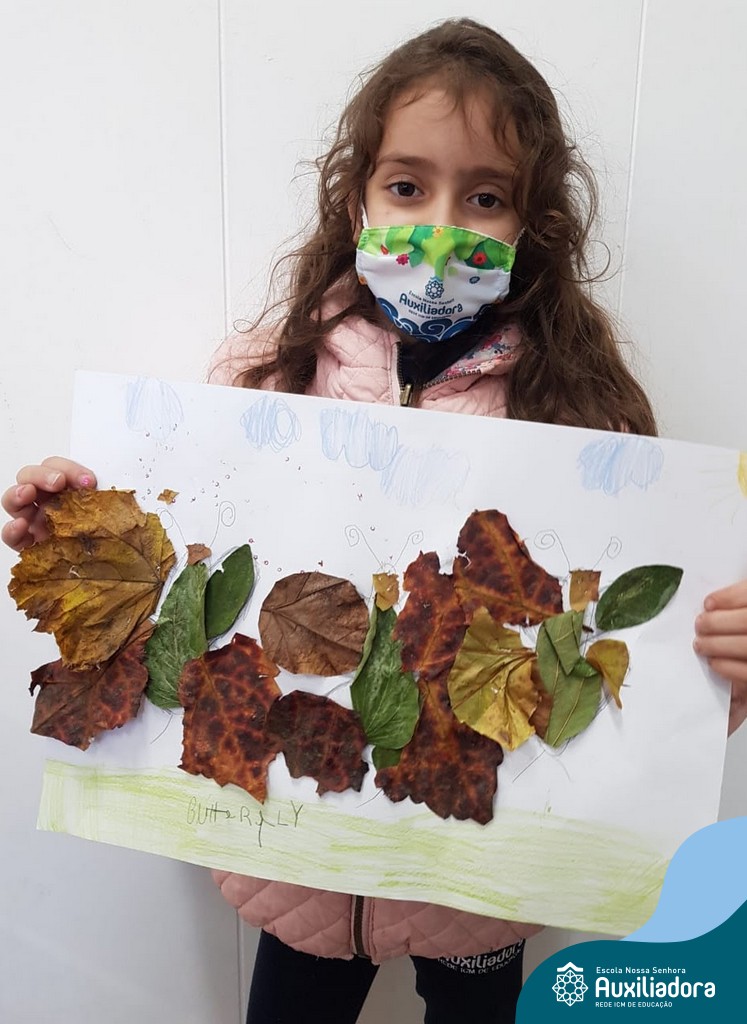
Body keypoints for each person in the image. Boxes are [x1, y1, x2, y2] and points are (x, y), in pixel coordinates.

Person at [3, 17, 747, 1024]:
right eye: (406, 186)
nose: (439, 228)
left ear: (532, 223)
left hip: (478, 887)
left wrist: (721, 673)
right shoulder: (263, 380)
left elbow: (629, 688)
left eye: (484, 198)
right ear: (356, 195)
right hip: (295, 866)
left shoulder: (582, 418)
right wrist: (73, 540)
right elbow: (182, 578)